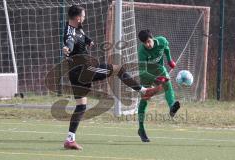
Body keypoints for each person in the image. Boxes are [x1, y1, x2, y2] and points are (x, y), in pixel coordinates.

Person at [62, 5, 160, 150]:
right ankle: (143, 91)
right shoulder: (70, 33)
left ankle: (70, 139)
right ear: (77, 18)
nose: (84, 17)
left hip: (76, 73)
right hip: (84, 70)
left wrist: (88, 41)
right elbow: (69, 41)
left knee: (81, 106)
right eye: (83, 16)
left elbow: (81, 36)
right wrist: (67, 48)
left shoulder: (77, 27)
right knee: (117, 69)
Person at [137, 29, 180, 142]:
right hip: (147, 74)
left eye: (149, 41)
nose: (148, 44)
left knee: (167, 83)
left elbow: (166, 48)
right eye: (145, 43)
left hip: (159, 69)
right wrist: (156, 79)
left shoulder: (162, 41)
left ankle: (172, 106)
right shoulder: (142, 51)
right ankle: (141, 129)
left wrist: (170, 60)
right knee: (144, 99)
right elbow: (142, 72)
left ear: (153, 38)